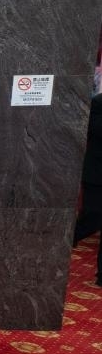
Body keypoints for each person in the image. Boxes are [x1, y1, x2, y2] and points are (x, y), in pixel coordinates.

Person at [76, 92, 102, 285]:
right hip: (97, 174)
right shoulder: (97, 102)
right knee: (93, 216)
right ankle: (68, 237)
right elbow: (93, 130)